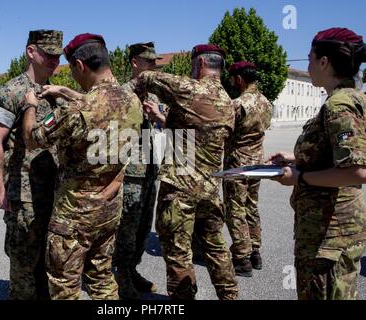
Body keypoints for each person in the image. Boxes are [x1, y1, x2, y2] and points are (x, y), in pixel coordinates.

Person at [22, 33, 143, 300]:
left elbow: (32, 138)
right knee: (101, 277)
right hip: (110, 208)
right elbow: (102, 104)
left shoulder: (75, 111)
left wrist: (31, 106)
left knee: (65, 284)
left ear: (80, 65)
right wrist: (65, 91)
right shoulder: (132, 101)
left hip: (74, 215)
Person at [135, 44, 239, 300]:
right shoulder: (228, 102)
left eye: (193, 66)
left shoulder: (190, 89)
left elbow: (147, 77)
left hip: (181, 193)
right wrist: (162, 118)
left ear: (200, 65)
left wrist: (137, 95)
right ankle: (231, 296)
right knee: (217, 250)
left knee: (179, 254)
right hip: (210, 190)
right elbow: (194, 133)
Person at [269, 27, 366, 300]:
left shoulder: (340, 105)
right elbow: (342, 154)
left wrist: (299, 178)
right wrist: (296, 158)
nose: (308, 65)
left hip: (329, 236)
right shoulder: (353, 99)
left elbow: (356, 171)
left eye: (310, 58)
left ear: (324, 62)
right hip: (334, 232)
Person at [0, 29, 63, 300]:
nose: (54, 60)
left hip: (54, 191)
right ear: (31, 52)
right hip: (24, 194)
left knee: (49, 259)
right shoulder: (10, 93)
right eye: (48, 54)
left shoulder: (55, 94)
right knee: (24, 262)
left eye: (58, 56)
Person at [113, 42, 166, 299]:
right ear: (135, 62)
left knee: (144, 226)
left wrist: (158, 116)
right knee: (127, 228)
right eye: (150, 61)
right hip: (130, 173)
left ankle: (132, 269)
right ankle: (120, 276)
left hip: (150, 171)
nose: (154, 66)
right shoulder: (122, 93)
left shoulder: (155, 96)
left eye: (155, 62)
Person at [223, 61, 272, 276]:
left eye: (233, 79)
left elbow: (225, 133)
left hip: (238, 163)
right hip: (257, 162)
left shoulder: (239, 104)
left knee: (235, 209)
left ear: (239, 79)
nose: (232, 82)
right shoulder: (266, 103)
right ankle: (255, 252)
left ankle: (242, 259)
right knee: (251, 206)